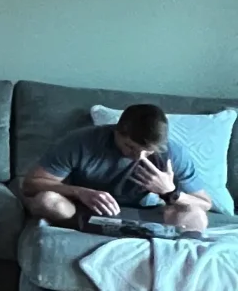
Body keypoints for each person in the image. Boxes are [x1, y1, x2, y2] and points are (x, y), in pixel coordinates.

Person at [21, 102, 212, 237]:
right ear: (117, 132)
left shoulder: (173, 152)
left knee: (195, 216)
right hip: (87, 213)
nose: (138, 157)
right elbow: (30, 185)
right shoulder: (80, 142)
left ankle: (170, 255)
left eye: (147, 152)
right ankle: (92, 232)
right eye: (130, 147)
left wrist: (171, 193)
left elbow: (205, 203)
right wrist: (79, 192)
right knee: (46, 201)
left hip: (149, 216)